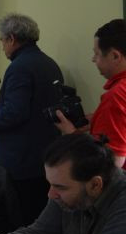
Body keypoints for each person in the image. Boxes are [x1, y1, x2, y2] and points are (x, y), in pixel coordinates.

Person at [0, 14, 63, 224]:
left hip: (19, 163)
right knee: (36, 222)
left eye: (2, 40)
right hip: (45, 158)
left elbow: (14, 115)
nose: (2, 47)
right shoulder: (49, 64)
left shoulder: (19, 67)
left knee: (16, 223)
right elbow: (33, 109)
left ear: (11, 39)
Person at [54, 18, 126, 167]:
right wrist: (99, 119)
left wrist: (72, 134)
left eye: (97, 54)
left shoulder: (116, 97)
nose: (93, 59)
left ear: (115, 56)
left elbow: (110, 164)